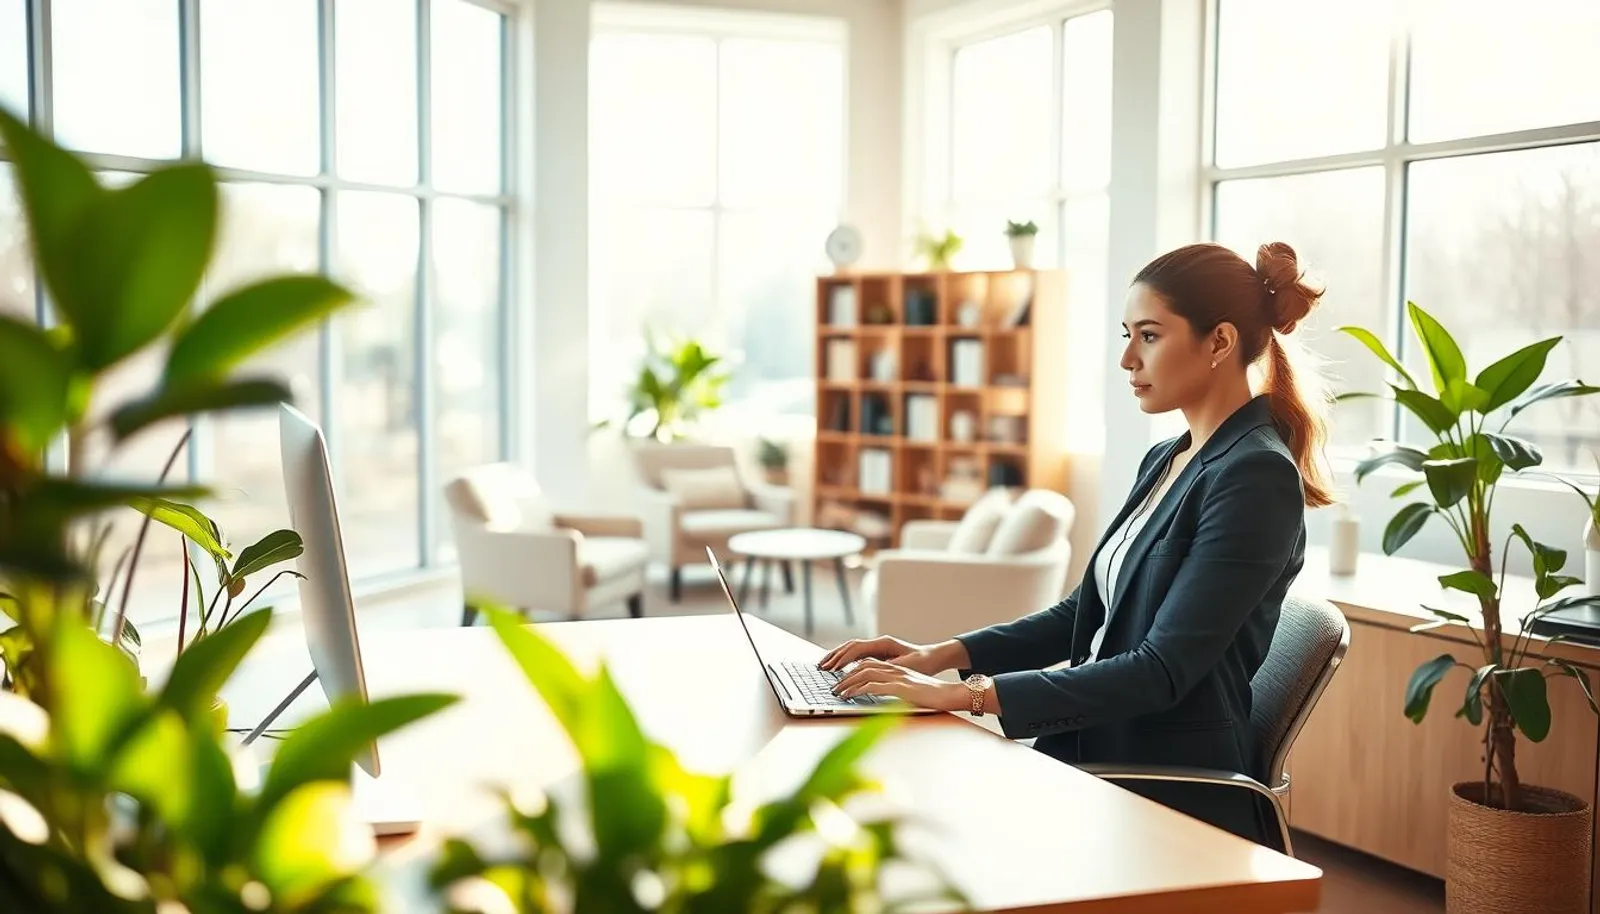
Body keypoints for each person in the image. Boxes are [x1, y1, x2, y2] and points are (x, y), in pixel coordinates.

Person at [820, 240, 1334, 848]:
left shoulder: (1254, 476)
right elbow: (1083, 614)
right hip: (1099, 745)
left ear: (1219, 342)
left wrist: (967, 695)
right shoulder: (1170, 458)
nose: (1126, 360)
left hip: (1158, 779)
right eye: (1128, 335)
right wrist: (939, 654)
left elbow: (1159, 672)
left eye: (1148, 335)